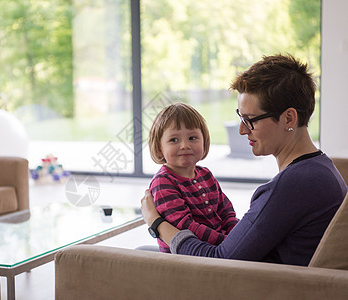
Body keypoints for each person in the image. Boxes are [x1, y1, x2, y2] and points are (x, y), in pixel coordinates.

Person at [141, 54, 347, 266]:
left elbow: (220, 261)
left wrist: (156, 223)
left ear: (288, 118)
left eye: (250, 120)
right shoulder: (322, 167)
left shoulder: (292, 186)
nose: (241, 130)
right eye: (241, 118)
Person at [148, 102, 238, 253]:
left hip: (218, 248)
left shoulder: (206, 174)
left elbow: (226, 211)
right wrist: (226, 241)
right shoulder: (163, 182)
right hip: (185, 257)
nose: (185, 145)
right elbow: (184, 226)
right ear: (159, 148)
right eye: (174, 140)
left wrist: (236, 234)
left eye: (192, 138)